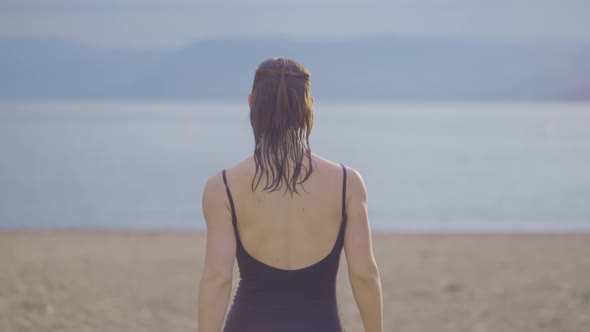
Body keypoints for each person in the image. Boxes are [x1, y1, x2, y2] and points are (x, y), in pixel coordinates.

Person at [198, 58, 382, 332]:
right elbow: (364, 274)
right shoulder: (347, 183)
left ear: (251, 103)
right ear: (310, 107)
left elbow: (217, 280)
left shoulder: (222, 187)